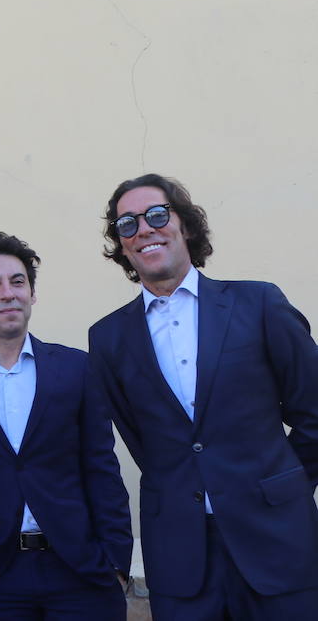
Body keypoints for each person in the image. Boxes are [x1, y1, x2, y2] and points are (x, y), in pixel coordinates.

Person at [88, 174, 318, 619]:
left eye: (157, 215)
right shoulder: (108, 338)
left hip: (276, 542)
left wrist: (280, 484)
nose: (144, 229)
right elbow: (144, 443)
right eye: (127, 224)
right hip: (181, 557)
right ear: (122, 245)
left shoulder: (259, 304)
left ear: (186, 226)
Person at [0, 232, 131, 620]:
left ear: (32, 293)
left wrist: (116, 559)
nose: (7, 293)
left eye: (17, 281)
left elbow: (101, 467)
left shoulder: (76, 368)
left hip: (80, 570)